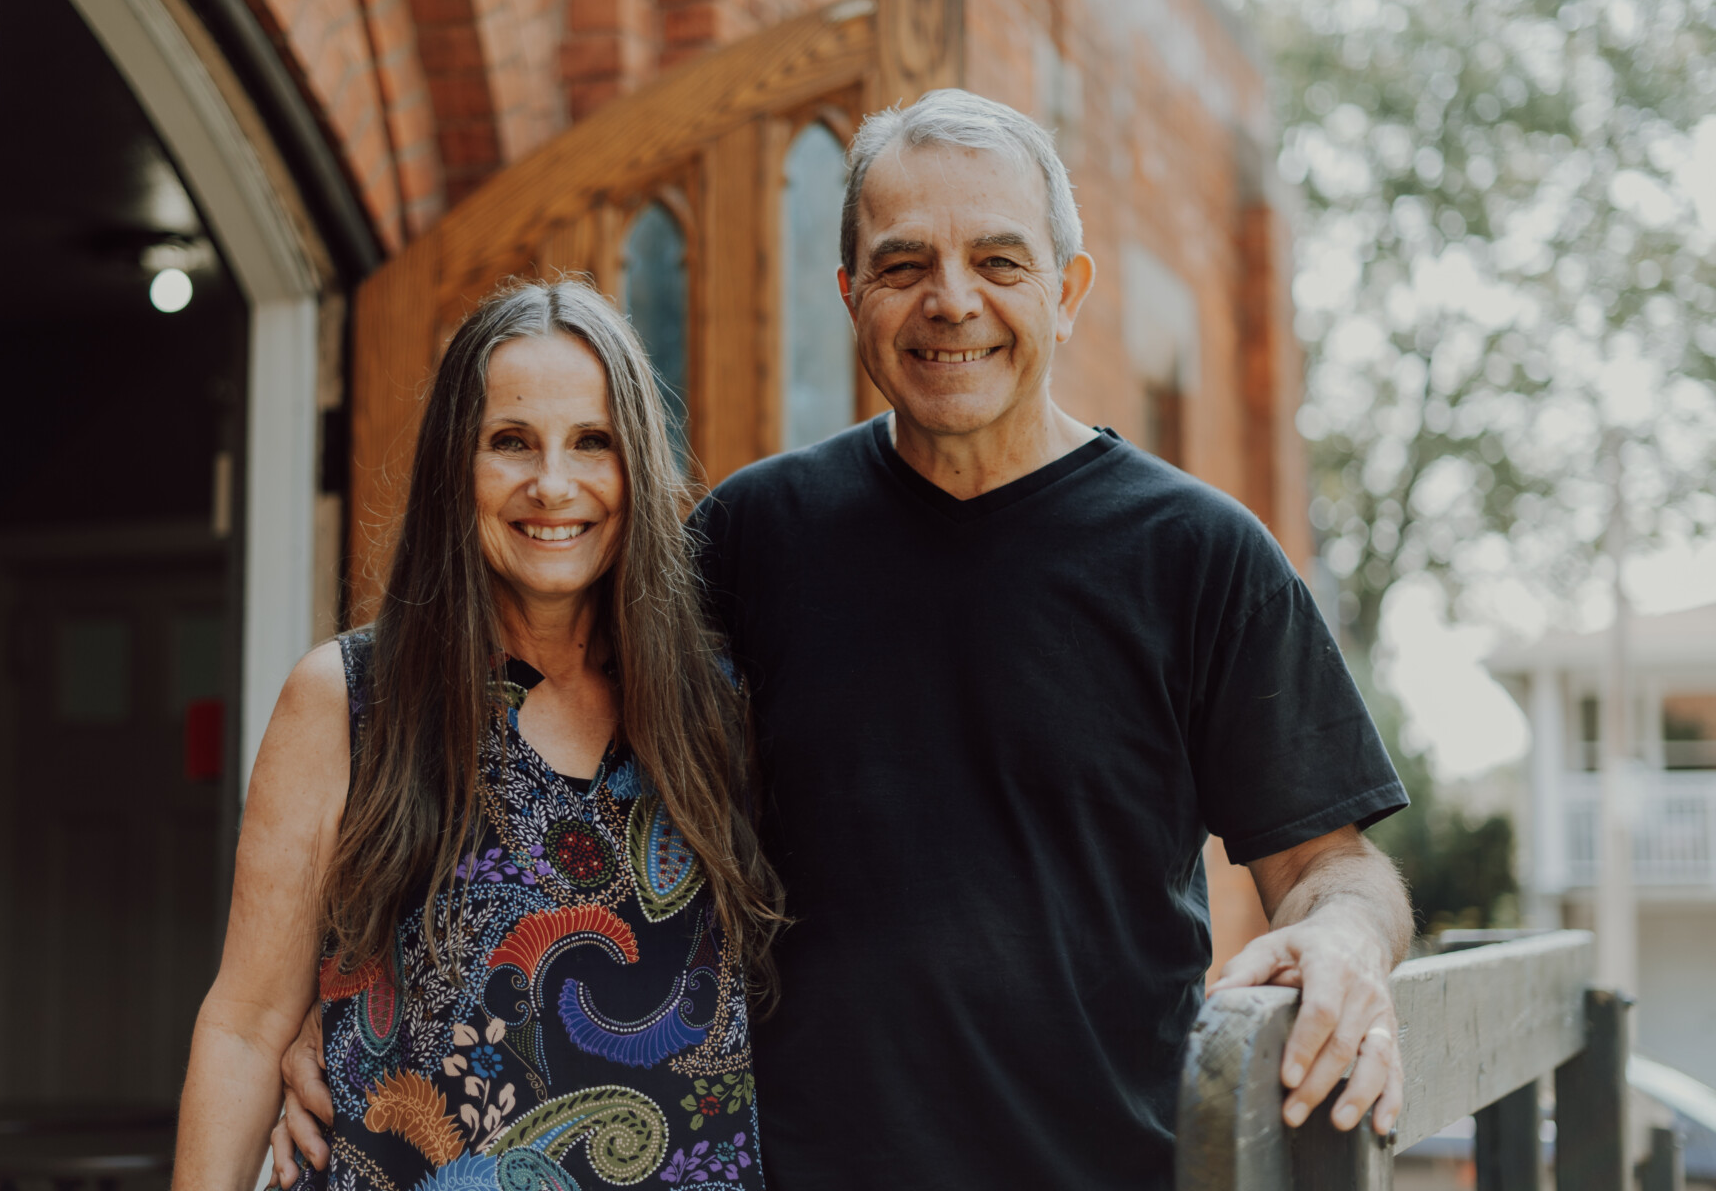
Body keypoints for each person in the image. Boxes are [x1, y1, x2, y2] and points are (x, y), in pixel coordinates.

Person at [278, 90, 1414, 1188]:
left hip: (1109, 1168)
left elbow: (1333, 866)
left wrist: (1351, 941)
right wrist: (349, 1015)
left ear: (1067, 290)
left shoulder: (1201, 555)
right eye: (905, 263)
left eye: (1000, 262)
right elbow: (546, 793)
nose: (951, 301)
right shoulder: (753, 539)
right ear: (851, 292)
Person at [174, 279, 783, 1191]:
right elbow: (247, 1021)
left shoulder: (723, 700)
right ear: (453, 466)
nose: (553, 484)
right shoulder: (351, 699)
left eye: (592, 443)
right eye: (509, 443)